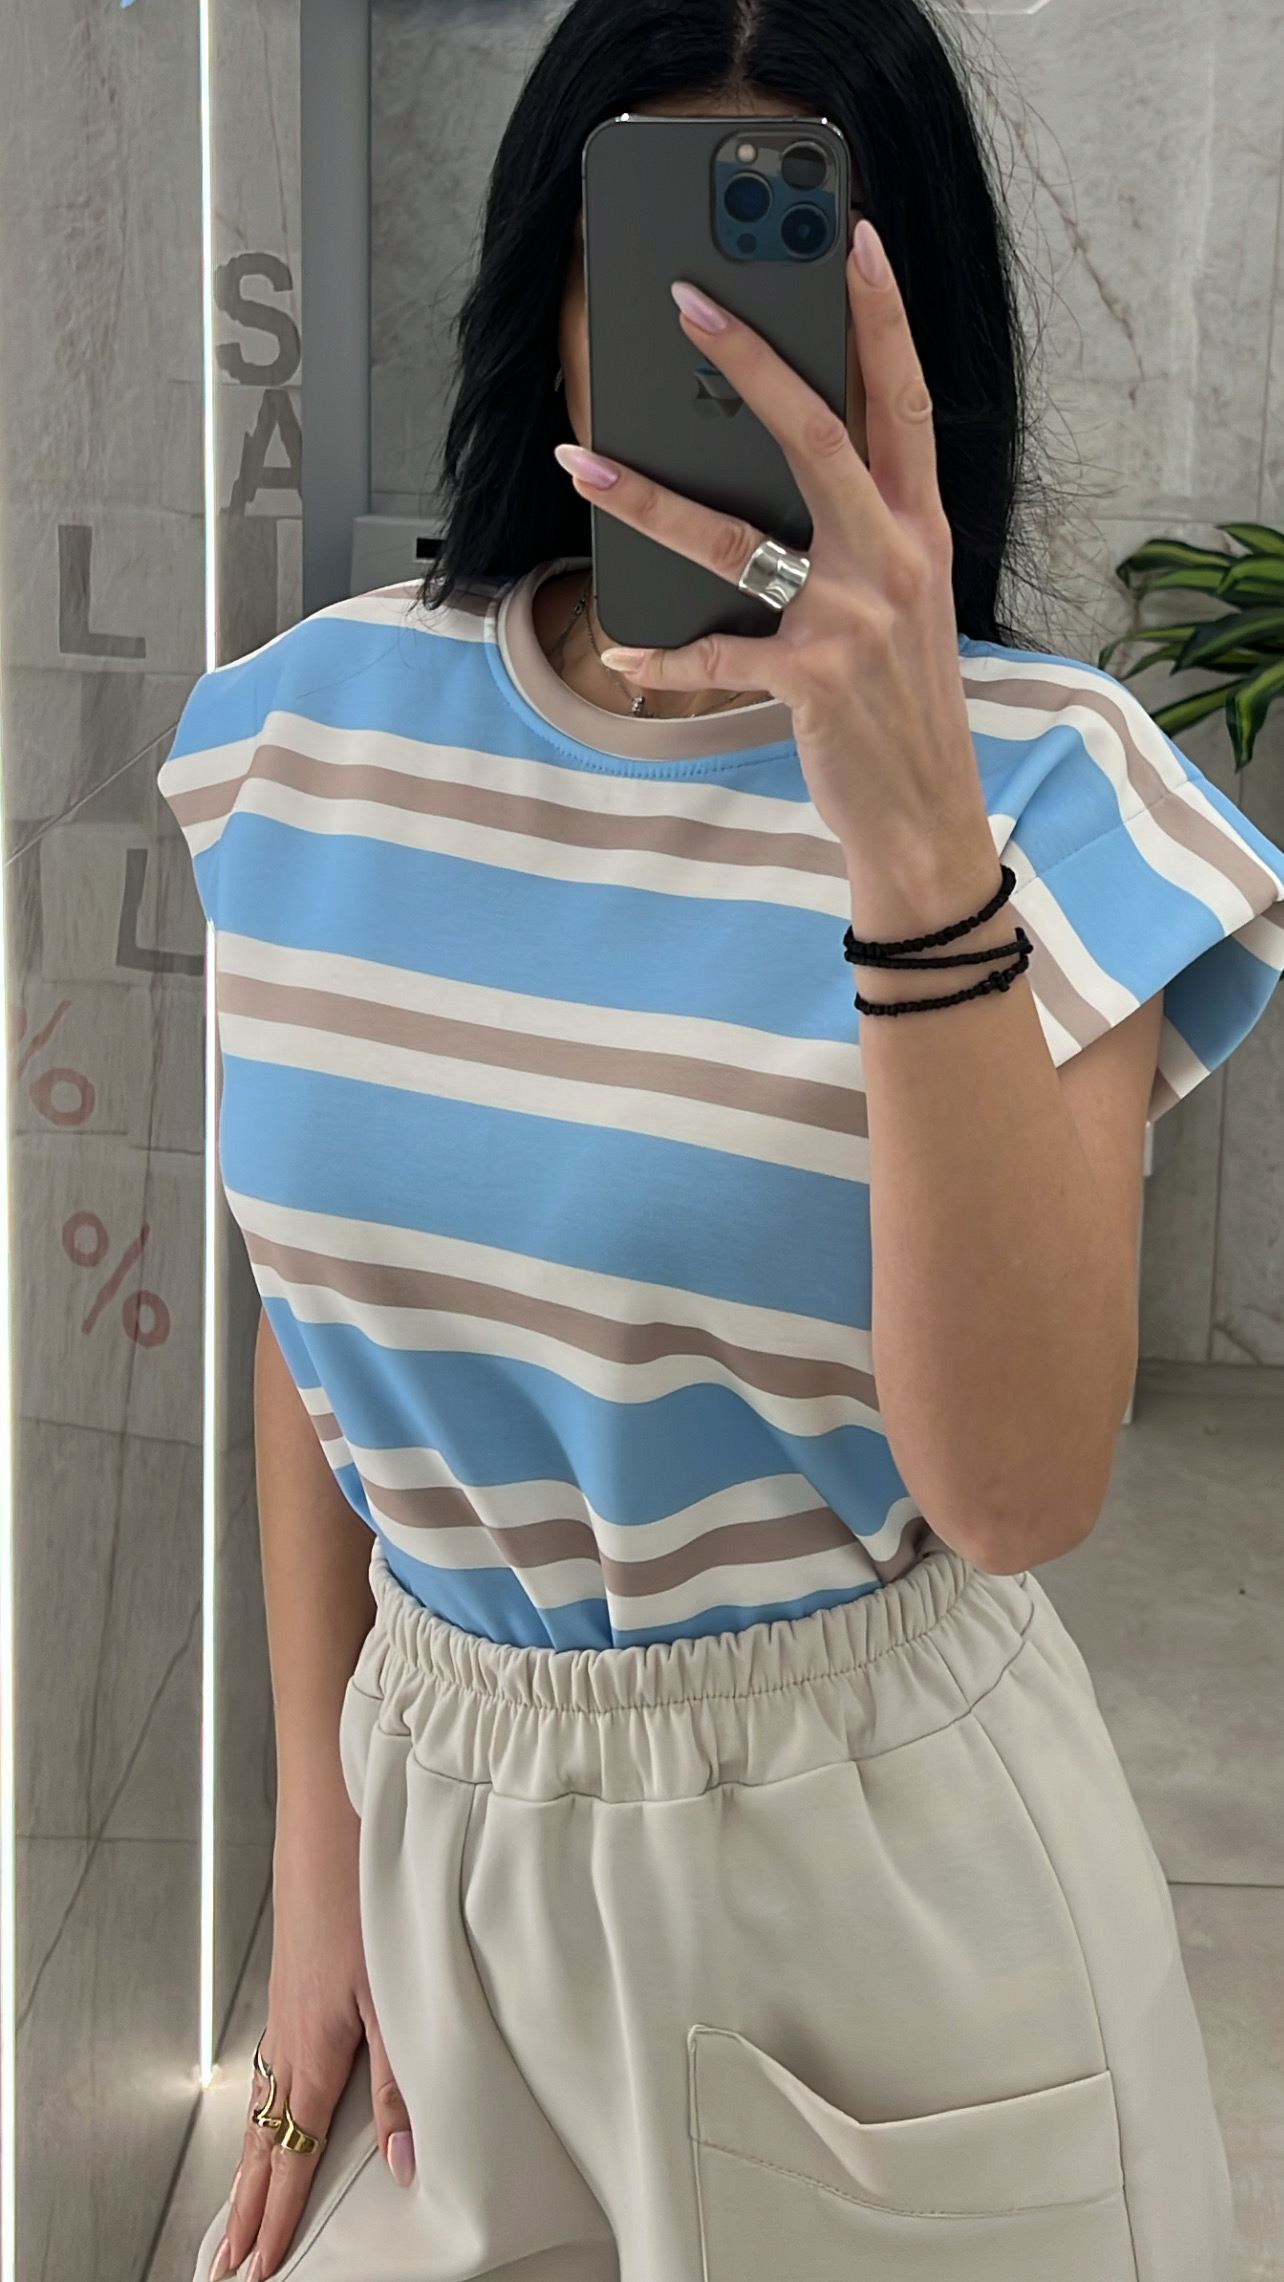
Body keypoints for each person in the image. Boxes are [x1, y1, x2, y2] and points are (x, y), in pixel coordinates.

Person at [160, 3, 1284, 2278]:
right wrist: (317, 1860)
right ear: (546, 285)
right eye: (649, 255)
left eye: (782, 265)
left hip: (876, 1894)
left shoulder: (1052, 787)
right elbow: (320, 1327)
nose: (712, 346)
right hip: (436, 1842)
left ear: (909, 323)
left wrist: (911, 838)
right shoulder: (310, 733)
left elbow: (1018, 1490)